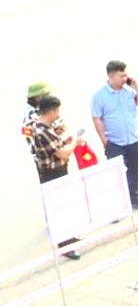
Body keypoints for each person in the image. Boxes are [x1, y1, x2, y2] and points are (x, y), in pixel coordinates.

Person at [90, 60, 138, 210]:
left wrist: (136, 86)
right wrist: (104, 141)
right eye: (121, 76)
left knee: (134, 171)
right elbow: (97, 118)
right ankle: (117, 204)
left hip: (134, 138)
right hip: (115, 142)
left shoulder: (129, 91)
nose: (124, 79)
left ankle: (133, 198)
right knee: (115, 176)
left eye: (125, 76)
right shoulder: (100, 96)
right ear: (111, 75)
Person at [27, 95, 80, 258]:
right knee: (60, 209)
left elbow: (55, 145)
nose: (58, 114)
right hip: (53, 174)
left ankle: (69, 238)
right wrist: (74, 142)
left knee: (65, 206)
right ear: (50, 111)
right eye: (56, 111)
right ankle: (64, 245)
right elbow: (62, 153)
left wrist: (62, 137)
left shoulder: (40, 126)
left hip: (53, 171)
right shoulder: (43, 132)